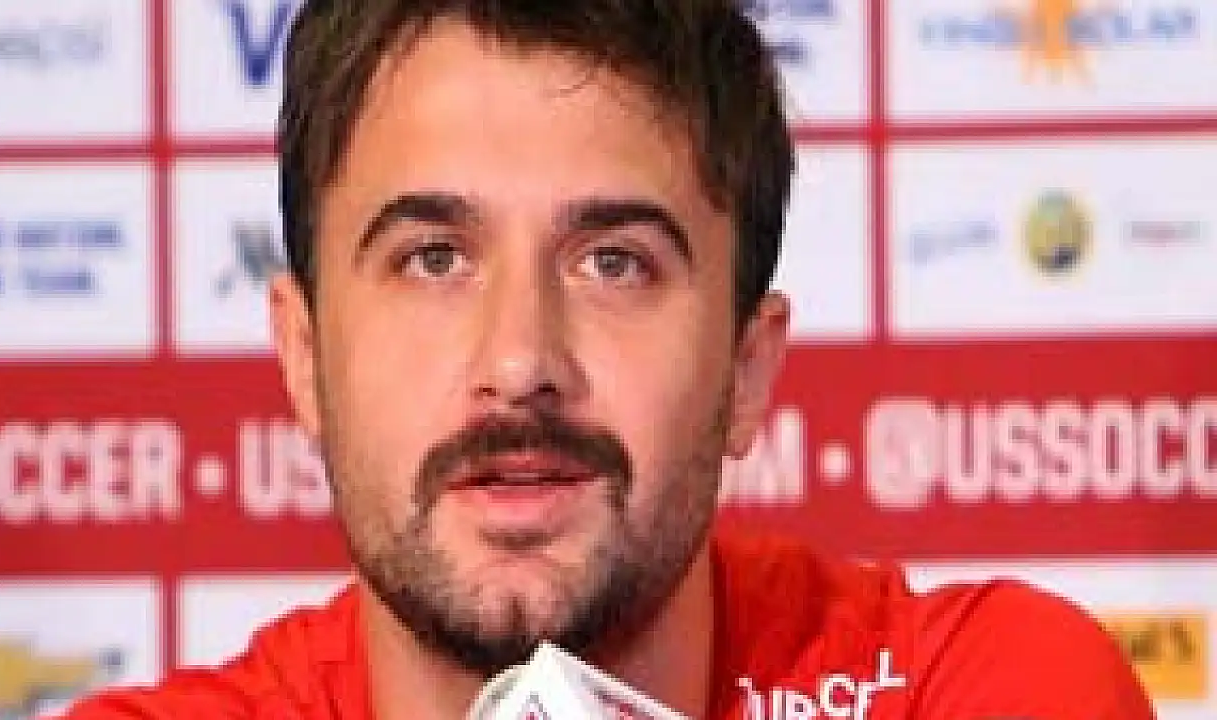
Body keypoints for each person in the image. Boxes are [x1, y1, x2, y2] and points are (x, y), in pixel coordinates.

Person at [66, 0, 1153, 717]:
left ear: (746, 371)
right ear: (303, 357)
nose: (520, 361)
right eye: (434, 258)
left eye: (614, 263)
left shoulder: (977, 691)